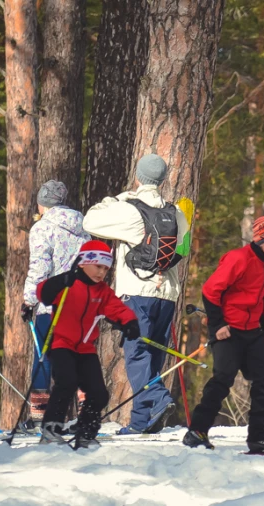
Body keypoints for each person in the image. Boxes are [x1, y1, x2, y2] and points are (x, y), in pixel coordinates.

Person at [83, 154, 189, 435]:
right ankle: (143, 422)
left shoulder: (130, 209)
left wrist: (115, 199)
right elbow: (183, 248)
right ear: (163, 179)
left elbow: (90, 221)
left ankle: (157, 398)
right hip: (166, 294)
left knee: (135, 353)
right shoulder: (175, 212)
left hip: (135, 291)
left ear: (138, 176)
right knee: (152, 355)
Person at [183, 216, 264, 454]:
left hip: (253, 330)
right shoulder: (239, 258)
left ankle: (258, 436)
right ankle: (197, 431)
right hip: (228, 330)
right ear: (261, 239)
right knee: (223, 378)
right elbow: (210, 290)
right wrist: (218, 324)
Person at [34, 240, 140, 449]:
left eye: (105, 268)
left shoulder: (102, 291)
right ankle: (51, 429)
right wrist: (62, 280)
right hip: (61, 343)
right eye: (98, 266)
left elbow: (117, 309)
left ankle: (86, 432)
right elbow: (42, 294)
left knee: (99, 393)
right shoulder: (68, 283)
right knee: (67, 382)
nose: (102, 272)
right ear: (84, 262)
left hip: (85, 347)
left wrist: (130, 322)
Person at [20, 180, 90, 424]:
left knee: (44, 355)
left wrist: (29, 300)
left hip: (51, 305)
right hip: (80, 305)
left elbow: (40, 269)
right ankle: (86, 411)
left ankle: (40, 416)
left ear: (43, 204)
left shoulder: (42, 229)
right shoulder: (83, 228)